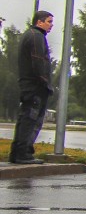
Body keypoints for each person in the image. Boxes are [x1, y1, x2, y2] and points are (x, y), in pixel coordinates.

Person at [9, 12, 54, 165]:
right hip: (35, 87)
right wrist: (45, 82)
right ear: (39, 22)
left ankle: (17, 153)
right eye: (49, 21)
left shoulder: (31, 35)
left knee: (25, 119)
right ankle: (23, 153)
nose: (51, 25)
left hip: (29, 86)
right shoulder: (37, 36)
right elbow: (38, 61)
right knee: (31, 120)